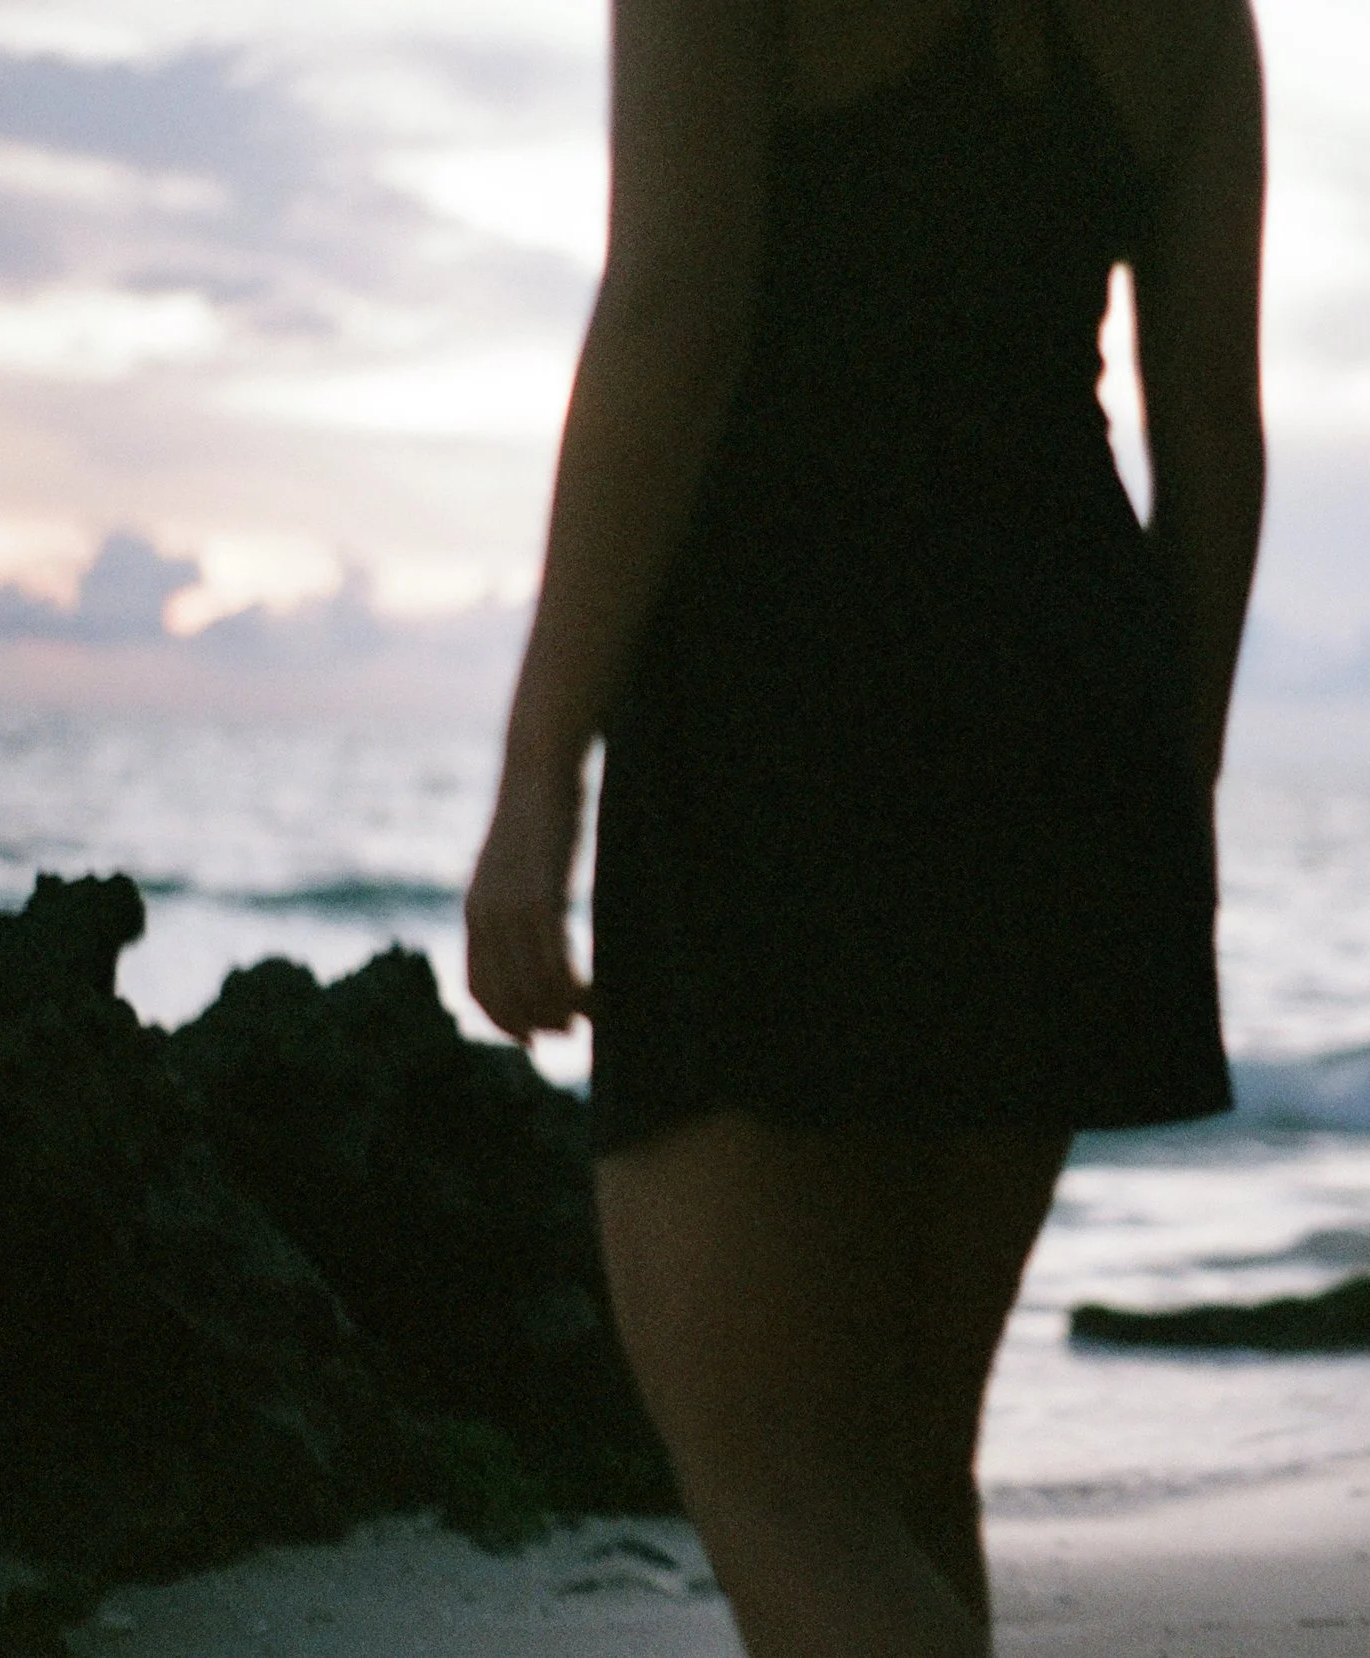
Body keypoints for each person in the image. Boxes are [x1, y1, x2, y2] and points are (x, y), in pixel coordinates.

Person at [464, 0, 1263, 1651]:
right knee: (905, 1471)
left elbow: (673, 320)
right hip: (1070, 678)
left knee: (776, 1477)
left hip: (793, 679)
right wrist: (1162, 794)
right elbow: (1212, 425)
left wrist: (540, 767)